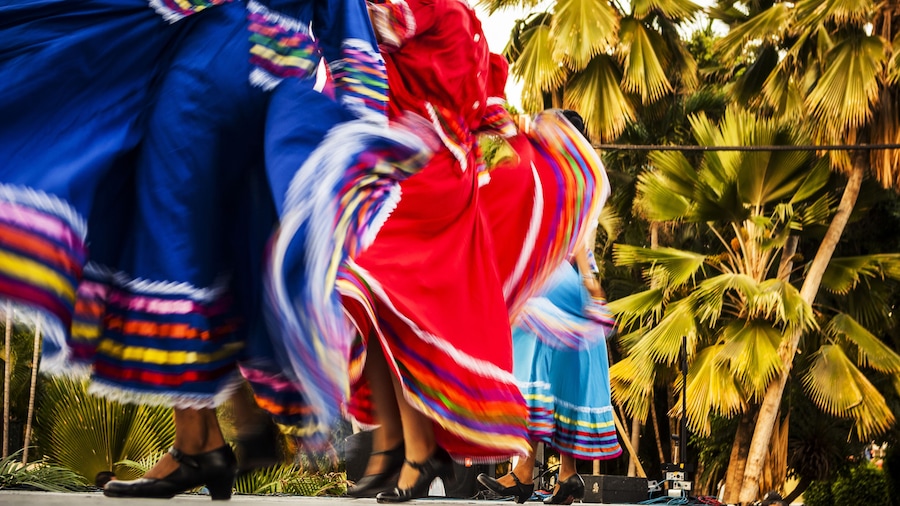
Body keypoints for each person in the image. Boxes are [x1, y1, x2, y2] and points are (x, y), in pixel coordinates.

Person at [1, 0, 391, 499]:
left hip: (206, 72)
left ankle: (205, 440)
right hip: (278, 86)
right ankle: (216, 434)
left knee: (175, 242)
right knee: (223, 243)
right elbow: (349, 37)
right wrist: (360, 137)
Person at [261, 1, 610, 503]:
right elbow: (481, 102)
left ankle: (415, 450)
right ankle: (407, 449)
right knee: (383, 309)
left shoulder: (431, 11)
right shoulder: (465, 25)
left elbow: (371, 27)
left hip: (420, 180)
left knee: (371, 294)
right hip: (420, 173)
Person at [477, 112, 622, 505]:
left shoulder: (565, 180)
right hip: (566, 285)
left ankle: (525, 472)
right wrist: (590, 287)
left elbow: (578, 238)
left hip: (553, 284)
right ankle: (567, 476)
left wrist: (588, 282)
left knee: (533, 374)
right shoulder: (575, 178)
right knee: (562, 381)